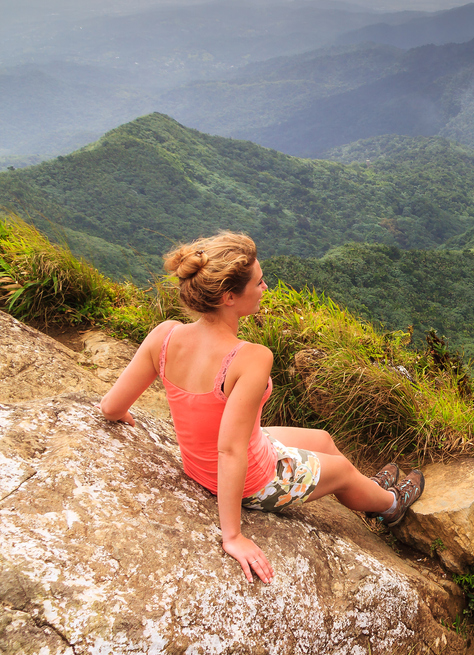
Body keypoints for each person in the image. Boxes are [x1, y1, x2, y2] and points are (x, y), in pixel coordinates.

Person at [98, 231, 424, 584]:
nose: (265, 287)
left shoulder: (164, 336)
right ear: (228, 297)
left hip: (201, 464)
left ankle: (368, 489)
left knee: (323, 440)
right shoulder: (250, 358)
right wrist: (232, 536)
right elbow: (230, 449)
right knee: (342, 470)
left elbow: (111, 406)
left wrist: (119, 415)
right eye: (259, 281)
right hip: (253, 479)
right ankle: (390, 505)